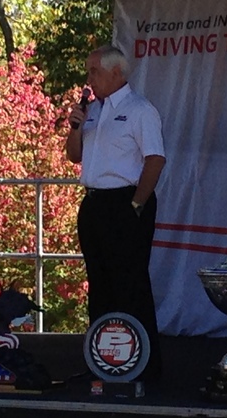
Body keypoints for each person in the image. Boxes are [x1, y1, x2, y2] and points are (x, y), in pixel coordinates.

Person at [66, 45, 166, 381]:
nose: (89, 79)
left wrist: (136, 205)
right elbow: (74, 156)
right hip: (93, 202)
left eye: (94, 71)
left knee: (130, 284)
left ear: (116, 72)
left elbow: (155, 159)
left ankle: (142, 366)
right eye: (88, 71)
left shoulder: (140, 110)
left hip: (125, 201)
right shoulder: (92, 110)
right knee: (99, 284)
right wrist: (75, 127)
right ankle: (103, 363)